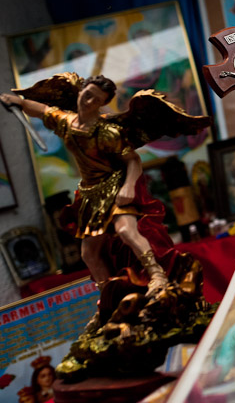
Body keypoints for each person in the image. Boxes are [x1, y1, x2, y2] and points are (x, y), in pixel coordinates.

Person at [1, 73, 209, 293]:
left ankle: (157, 276)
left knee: (126, 230)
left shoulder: (108, 132)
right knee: (88, 253)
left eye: (95, 100)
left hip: (114, 186)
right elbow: (42, 110)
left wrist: (128, 187)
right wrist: (20, 102)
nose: (88, 101)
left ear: (102, 104)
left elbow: (133, 160)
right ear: (80, 92)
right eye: (87, 94)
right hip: (90, 194)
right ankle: (109, 295)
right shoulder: (66, 122)